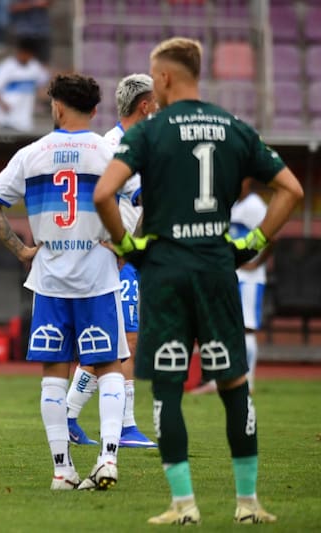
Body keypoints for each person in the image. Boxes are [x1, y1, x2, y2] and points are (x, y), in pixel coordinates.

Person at [93, 37, 303, 525]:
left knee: (167, 388)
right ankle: (248, 503)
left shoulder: (150, 132)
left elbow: (105, 193)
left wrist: (128, 247)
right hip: (216, 268)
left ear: (164, 78)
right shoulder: (234, 127)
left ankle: (183, 505)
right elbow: (290, 189)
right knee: (233, 383)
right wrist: (250, 245)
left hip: (165, 272)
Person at [0, 73, 126, 492]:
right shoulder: (109, 150)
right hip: (98, 275)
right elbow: (150, 195)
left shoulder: (33, 153)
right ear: (96, 111)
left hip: (50, 280)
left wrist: (22, 250)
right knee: (110, 364)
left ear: (56, 106)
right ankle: (109, 458)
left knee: (53, 375)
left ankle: (62, 470)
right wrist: (126, 246)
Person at [65, 74, 158, 449]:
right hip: (119, 255)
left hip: (128, 254)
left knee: (111, 340)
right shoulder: (117, 147)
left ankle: (69, 415)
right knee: (126, 340)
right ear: (145, 106)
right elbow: (138, 201)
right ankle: (125, 425)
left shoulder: (131, 143)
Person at [192, 178, 270, 395]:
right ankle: (222, 378)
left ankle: (249, 381)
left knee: (246, 326)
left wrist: (255, 263)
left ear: (248, 181)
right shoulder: (232, 204)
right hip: (230, 273)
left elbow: (272, 236)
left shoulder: (255, 206)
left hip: (250, 277)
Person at [0, 38, 49, 132]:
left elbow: (44, 82)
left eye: (28, 54)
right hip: (7, 120)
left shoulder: (35, 67)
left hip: (25, 122)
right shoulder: (7, 66)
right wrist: (3, 104)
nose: (25, 57)